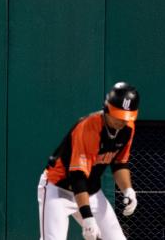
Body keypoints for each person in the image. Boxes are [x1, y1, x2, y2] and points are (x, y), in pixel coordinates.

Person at [39, 83, 140, 240]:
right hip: (58, 188)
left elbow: (120, 163)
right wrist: (87, 217)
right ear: (107, 109)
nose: (122, 121)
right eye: (118, 115)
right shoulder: (89, 128)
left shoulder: (128, 129)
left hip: (91, 191)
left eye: (126, 117)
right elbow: (77, 176)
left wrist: (128, 190)